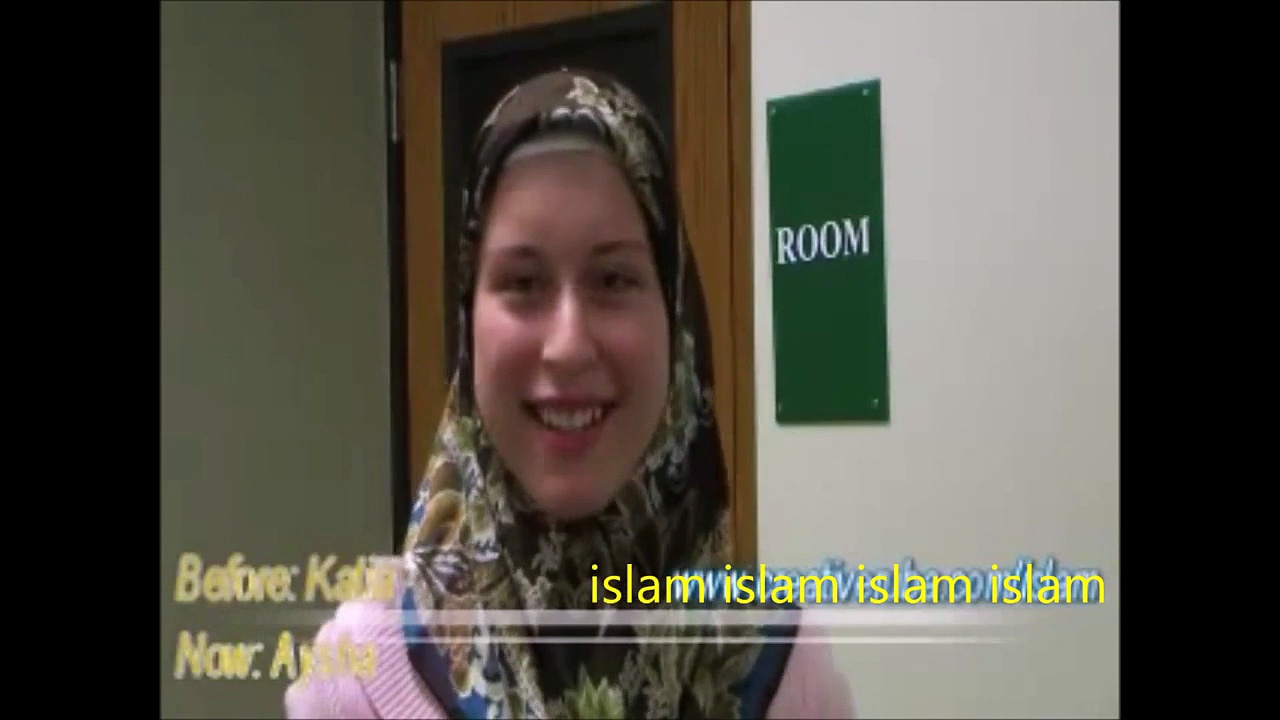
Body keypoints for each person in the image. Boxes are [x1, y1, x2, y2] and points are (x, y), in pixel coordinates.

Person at [285, 68, 854, 719]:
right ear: (468, 322)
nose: (567, 345)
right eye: (523, 283)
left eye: (612, 279)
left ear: (674, 317)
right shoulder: (358, 680)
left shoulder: (781, 673)